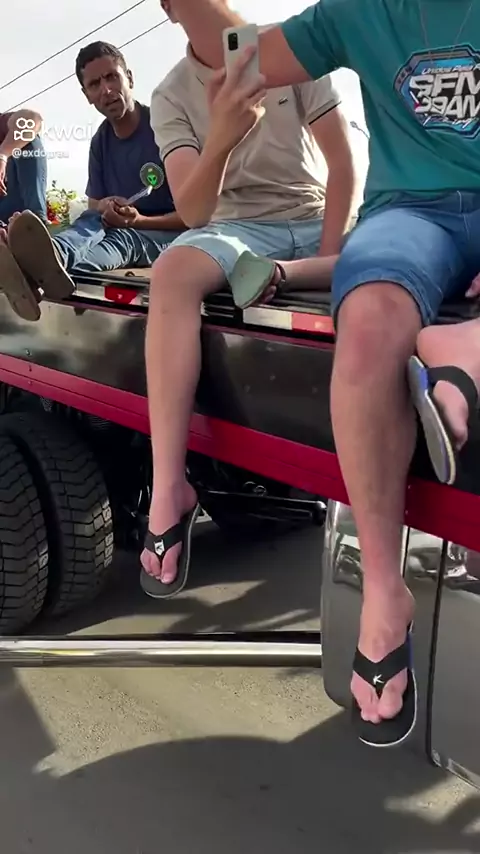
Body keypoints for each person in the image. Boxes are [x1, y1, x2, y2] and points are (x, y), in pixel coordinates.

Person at [161, 0, 480, 748]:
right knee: (364, 314)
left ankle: (463, 350)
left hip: (327, 221)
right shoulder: (357, 12)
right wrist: (216, 66)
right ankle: (383, 592)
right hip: (411, 213)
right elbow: (237, 56)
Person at [139, 0, 360, 603]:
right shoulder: (170, 94)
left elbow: (343, 164)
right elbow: (194, 211)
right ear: (167, 9)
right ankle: (170, 488)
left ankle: (301, 272)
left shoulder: (290, 47)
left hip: (316, 219)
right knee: (171, 272)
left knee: (402, 248)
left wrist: (331, 258)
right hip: (238, 230)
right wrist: (224, 133)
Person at [0, 41, 185, 321]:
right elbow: (94, 208)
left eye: (112, 77)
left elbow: (196, 216)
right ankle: (47, 261)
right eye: (95, 84)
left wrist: (139, 220)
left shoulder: (165, 129)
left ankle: (36, 270)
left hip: (170, 235)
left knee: (124, 238)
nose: (106, 90)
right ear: (87, 95)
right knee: (93, 219)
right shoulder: (100, 141)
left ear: (129, 78)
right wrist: (107, 207)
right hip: (123, 229)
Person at [0, 108, 47, 222]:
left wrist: (2, 156)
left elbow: (30, 119)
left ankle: (35, 220)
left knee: (27, 138)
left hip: (12, 199)